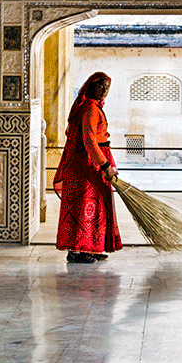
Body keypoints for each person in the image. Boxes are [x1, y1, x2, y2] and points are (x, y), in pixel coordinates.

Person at [54, 71, 122, 264]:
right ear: (91, 87)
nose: (104, 91)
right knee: (85, 207)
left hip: (90, 163)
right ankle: (78, 251)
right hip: (87, 166)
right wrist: (105, 164)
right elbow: (89, 140)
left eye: (107, 87)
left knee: (95, 207)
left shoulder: (93, 107)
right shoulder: (91, 109)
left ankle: (91, 248)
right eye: (100, 86)